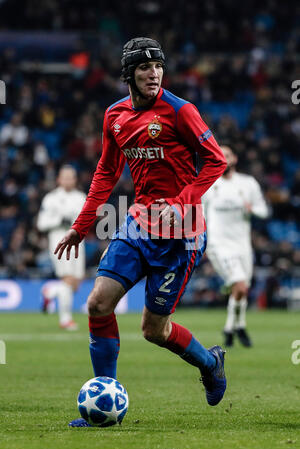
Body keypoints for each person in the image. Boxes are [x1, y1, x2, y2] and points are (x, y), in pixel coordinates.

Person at [54, 37, 228, 427]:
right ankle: (105, 400)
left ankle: (210, 362)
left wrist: (181, 201)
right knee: (98, 303)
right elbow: (106, 172)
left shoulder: (182, 111)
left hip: (180, 233)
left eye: (159, 67)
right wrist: (81, 227)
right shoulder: (115, 115)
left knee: (154, 330)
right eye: (145, 68)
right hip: (138, 223)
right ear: (129, 74)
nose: (154, 74)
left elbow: (215, 161)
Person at [202, 145, 269, 348]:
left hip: (242, 245)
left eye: (227, 155)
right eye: (220, 154)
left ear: (235, 159)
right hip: (219, 244)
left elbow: (264, 210)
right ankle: (238, 326)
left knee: (241, 289)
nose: (224, 158)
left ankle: (232, 327)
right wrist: (201, 242)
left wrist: (253, 209)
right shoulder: (208, 185)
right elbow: (199, 216)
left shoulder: (248, 183)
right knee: (239, 285)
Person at [37, 165, 86, 331]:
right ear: (58, 179)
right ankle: (65, 320)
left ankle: (50, 292)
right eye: (64, 177)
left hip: (78, 241)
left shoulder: (81, 197)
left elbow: (88, 220)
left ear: (75, 179)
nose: (67, 180)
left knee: (76, 282)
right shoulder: (50, 199)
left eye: (70, 177)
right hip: (59, 240)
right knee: (67, 278)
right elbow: (41, 223)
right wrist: (59, 221)